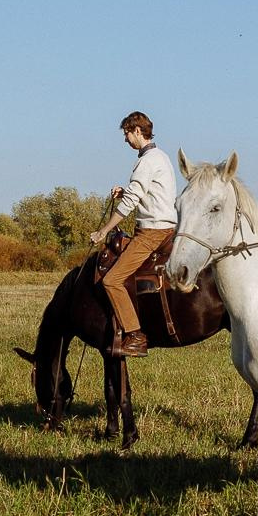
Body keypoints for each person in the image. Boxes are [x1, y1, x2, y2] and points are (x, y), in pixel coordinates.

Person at [89, 111, 177, 357]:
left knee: (112, 280)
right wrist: (126, 190)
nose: (126, 139)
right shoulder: (161, 157)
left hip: (152, 232)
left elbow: (131, 203)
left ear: (138, 131)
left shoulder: (146, 161)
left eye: (127, 134)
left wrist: (103, 231)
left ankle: (136, 336)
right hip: (166, 227)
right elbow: (149, 192)